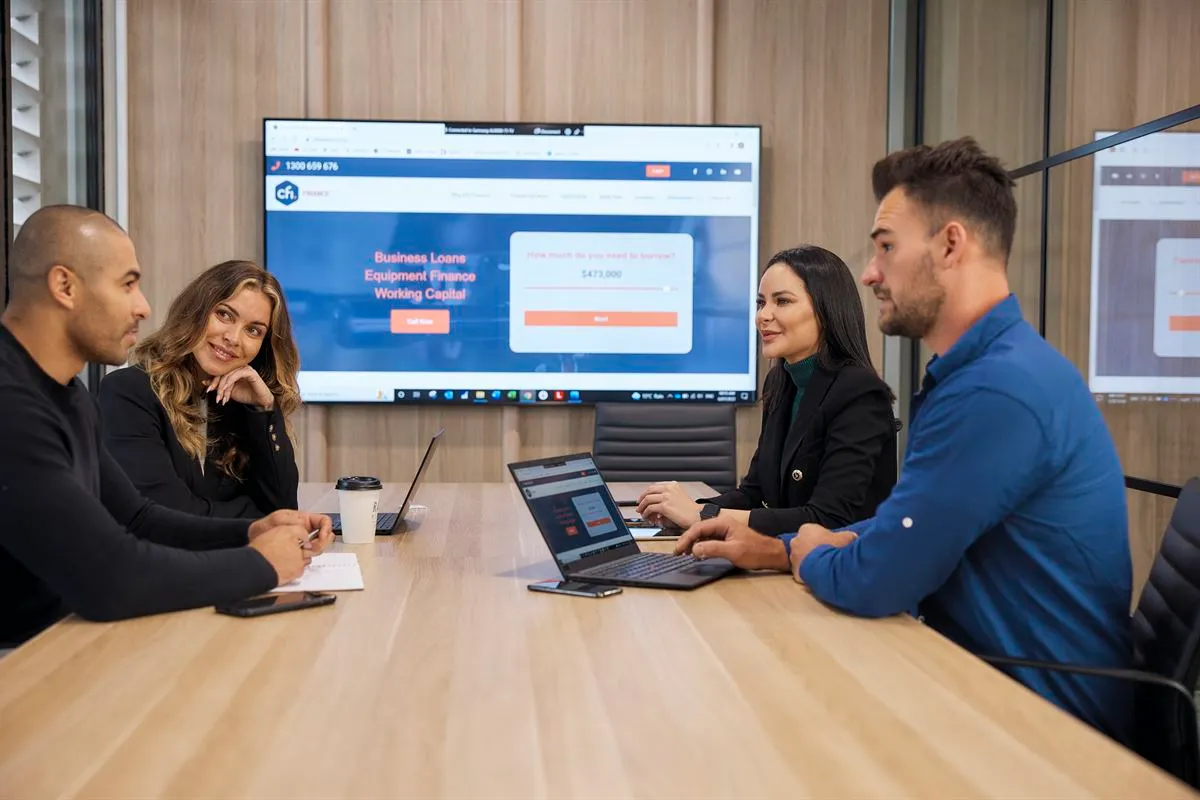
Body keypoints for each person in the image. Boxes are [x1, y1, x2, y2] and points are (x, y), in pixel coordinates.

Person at [675, 138, 1134, 745]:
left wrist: (807, 551)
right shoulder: (986, 372)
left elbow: (880, 576)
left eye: (886, 247)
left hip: (1040, 722)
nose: (869, 272)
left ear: (950, 245)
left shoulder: (996, 391)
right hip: (985, 679)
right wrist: (785, 546)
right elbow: (904, 527)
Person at [0, 205, 333, 648]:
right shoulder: (12, 407)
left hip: (60, 640)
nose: (143, 307)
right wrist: (261, 565)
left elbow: (138, 515)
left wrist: (252, 531)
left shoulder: (70, 397)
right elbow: (110, 578)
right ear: (65, 286)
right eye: (127, 285)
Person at [635, 245, 897, 535]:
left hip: (842, 570)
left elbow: (827, 520)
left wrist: (702, 515)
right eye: (761, 303)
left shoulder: (859, 392)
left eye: (782, 301)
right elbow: (754, 494)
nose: (763, 316)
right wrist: (685, 512)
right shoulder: (780, 381)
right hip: (788, 563)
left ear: (826, 310)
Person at [99, 260, 300, 518]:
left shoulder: (239, 404)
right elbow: (166, 515)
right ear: (196, 311)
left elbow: (283, 509)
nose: (233, 338)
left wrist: (264, 410)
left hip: (232, 557)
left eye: (253, 330)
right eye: (224, 314)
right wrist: (258, 517)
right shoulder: (128, 392)